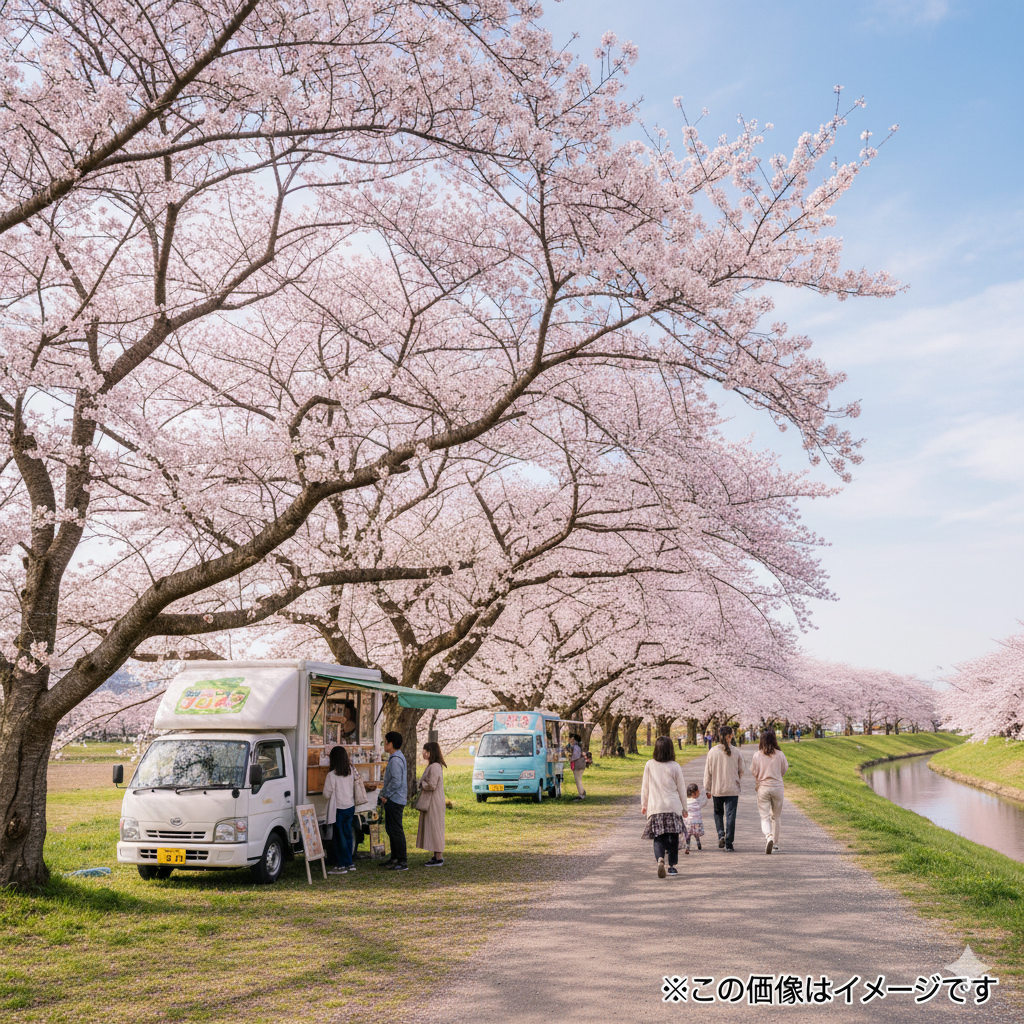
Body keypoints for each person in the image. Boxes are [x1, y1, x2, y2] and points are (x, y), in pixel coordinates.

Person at [641, 735, 689, 877]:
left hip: (656, 808)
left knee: (658, 837)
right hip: (672, 807)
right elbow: (681, 788)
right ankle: (672, 866)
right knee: (673, 838)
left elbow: (645, 787)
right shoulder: (675, 766)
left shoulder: (649, 764)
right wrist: (685, 808)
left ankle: (660, 859)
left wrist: (644, 805)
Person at [703, 725, 744, 851]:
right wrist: (736, 779)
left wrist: (707, 788)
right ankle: (729, 843)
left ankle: (721, 833)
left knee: (718, 813)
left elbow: (708, 772)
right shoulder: (736, 752)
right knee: (731, 815)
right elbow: (741, 770)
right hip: (732, 788)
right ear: (731, 736)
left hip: (717, 788)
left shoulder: (712, 752)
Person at [751, 727, 788, 854]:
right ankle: (776, 843)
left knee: (765, 816)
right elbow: (784, 769)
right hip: (777, 787)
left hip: (763, 787)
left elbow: (754, 772)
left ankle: (769, 836)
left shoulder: (757, 755)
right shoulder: (780, 754)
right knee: (776, 817)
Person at [324, 745, 356, 874]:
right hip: (350, 806)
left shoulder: (332, 775)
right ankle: (350, 863)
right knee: (348, 834)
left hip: (338, 809)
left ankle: (343, 864)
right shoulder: (351, 771)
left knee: (339, 837)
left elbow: (326, 794)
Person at [379, 731, 408, 871]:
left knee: (395, 830)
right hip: (395, 798)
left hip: (395, 799)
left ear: (391, 744)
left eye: (385, 742)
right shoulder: (397, 757)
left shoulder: (396, 760)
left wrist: (386, 795)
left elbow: (396, 781)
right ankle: (394, 858)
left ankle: (402, 861)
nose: (384, 745)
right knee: (391, 829)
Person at [416, 741, 447, 866]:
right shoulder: (435, 765)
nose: (424, 753)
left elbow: (432, 785)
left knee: (435, 828)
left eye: (426, 751)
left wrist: (421, 783)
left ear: (431, 753)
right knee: (434, 827)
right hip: (434, 801)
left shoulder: (434, 766)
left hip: (433, 802)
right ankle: (436, 856)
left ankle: (438, 857)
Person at [683, 783, 707, 854]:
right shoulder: (698, 802)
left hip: (688, 823)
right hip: (697, 822)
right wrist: (706, 796)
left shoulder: (685, 802)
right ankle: (698, 844)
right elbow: (704, 803)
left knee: (688, 835)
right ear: (695, 793)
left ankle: (687, 847)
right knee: (696, 835)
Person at [569, 733, 586, 801]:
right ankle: (582, 792)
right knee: (579, 779)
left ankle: (581, 794)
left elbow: (575, 756)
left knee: (578, 780)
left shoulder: (576, 747)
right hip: (581, 764)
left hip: (578, 765)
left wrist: (570, 759)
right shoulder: (579, 746)